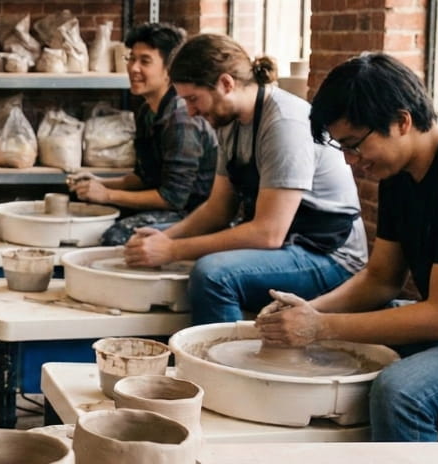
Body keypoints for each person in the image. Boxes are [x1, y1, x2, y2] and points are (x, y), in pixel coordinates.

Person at [256, 53, 438, 442]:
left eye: (355, 145)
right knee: (367, 327)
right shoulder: (399, 174)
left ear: (402, 121)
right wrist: (306, 311)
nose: (352, 162)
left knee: (400, 392)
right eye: (343, 148)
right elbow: (381, 279)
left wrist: (320, 327)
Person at [123, 33, 367, 325]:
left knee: (213, 274)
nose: (190, 111)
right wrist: (166, 237)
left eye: (193, 99)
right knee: (145, 233)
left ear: (226, 84)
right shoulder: (229, 121)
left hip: (330, 257)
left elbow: (268, 233)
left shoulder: (284, 123)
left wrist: (173, 249)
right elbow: (218, 210)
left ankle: (222, 363)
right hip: (288, 244)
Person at [69, 22, 217, 245]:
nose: (133, 68)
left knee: (117, 236)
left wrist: (107, 194)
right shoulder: (147, 111)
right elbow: (142, 178)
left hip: (195, 213)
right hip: (168, 206)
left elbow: (173, 199)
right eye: (131, 58)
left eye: (145, 61)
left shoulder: (181, 119)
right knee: (81, 202)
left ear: (169, 70)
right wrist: (100, 183)